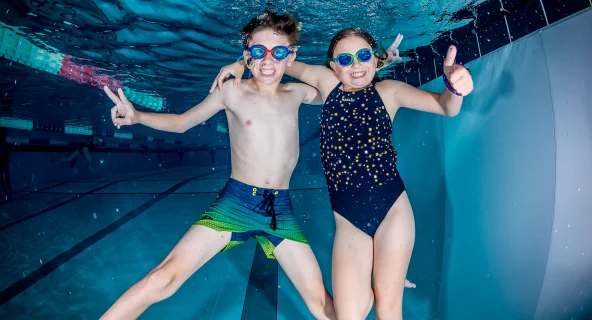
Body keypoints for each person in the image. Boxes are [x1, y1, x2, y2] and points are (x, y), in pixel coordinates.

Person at [211, 28, 474, 319]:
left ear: (375, 60)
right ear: (333, 67)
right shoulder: (327, 84)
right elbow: (279, 60)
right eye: (345, 60)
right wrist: (239, 63)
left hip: (393, 211)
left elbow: (445, 107)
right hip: (349, 221)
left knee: (389, 310)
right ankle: (379, 284)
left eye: (363, 56)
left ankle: (385, 285)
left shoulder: (389, 92)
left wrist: (455, 87)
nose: (355, 65)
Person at [100, 10, 336, 320]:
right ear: (247, 55)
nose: (267, 60)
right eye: (257, 52)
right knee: (164, 279)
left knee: (320, 301)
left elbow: (333, 83)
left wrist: (250, 61)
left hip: (280, 210)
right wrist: (139, 116)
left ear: (291, 56)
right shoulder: (231, 92)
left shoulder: (297, 93)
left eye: (278, 52)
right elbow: (183, 122)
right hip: (235, 203)